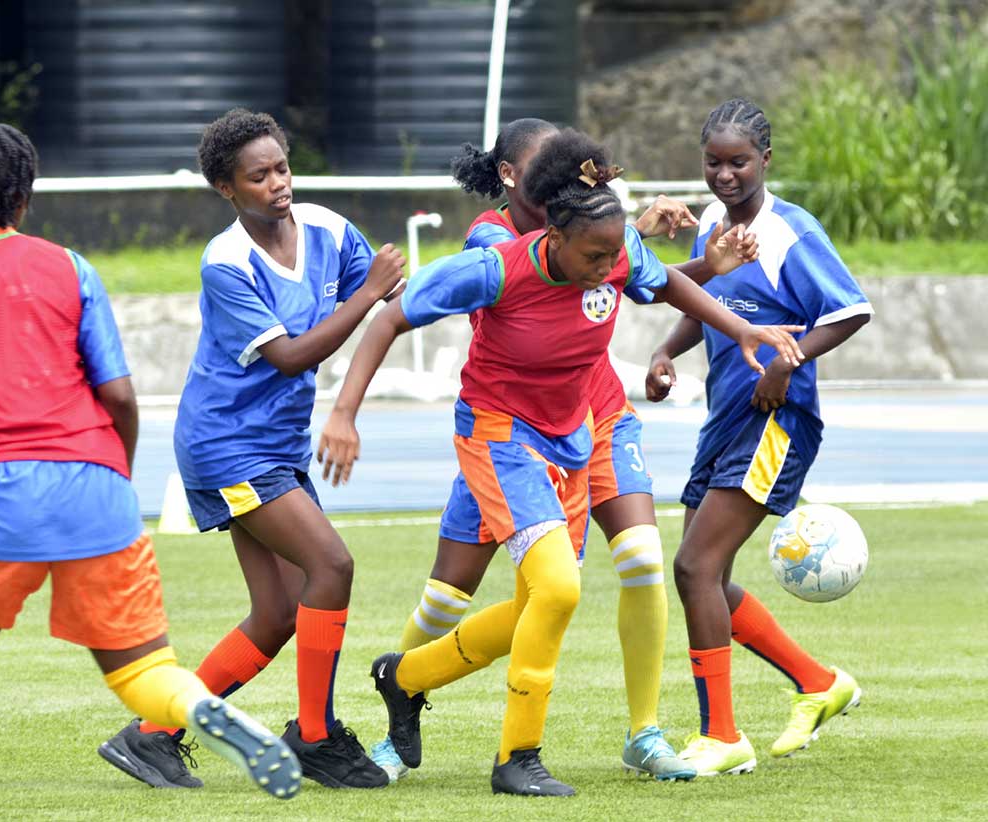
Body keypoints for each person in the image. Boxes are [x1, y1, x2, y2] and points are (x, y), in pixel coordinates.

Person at [317, 127, 805, 796]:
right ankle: (517, 757)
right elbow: (388, 319)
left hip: (572, 438)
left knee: (536, 606)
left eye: (613, 255)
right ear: (551, 234)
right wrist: (343, 414)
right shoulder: (493, 264)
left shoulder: (616, 249)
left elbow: (662, 285)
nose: (607, 269)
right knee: (555, 589)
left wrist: (742, 327)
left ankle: (403, 679)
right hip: (499, 435)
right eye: (594, 256)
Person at [0, 121, 301, 820]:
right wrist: (112, 479)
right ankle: (199, 706)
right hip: (95, 490)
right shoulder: (71, 267)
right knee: (142, 673)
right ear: (25, 195)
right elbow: (120, 397)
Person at [97, 108, 403, 790]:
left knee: (280, 613)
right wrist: (372, 295)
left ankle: (151, 734)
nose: (277, 184)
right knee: (333, 565)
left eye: (282, 168)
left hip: (276, 445)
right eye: (257, 176)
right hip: (227, 447)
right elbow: (293, 356)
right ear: (226, 189)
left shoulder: (326, 228)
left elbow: (387, 298)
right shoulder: (226, 262)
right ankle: (316, 735)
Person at [645, 98, 872, 777]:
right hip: (725, 415)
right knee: (701, 577)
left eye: (739, 162)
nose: (724, 175)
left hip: (779, 416)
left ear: (765, 161)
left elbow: (851, 310)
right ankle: (818, 682)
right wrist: (666, 352)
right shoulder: (713, 225)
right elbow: (702, 302)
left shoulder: (790, 233)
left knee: (695, 568)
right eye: (713, 162)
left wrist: (785, 358)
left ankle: (722, 736)